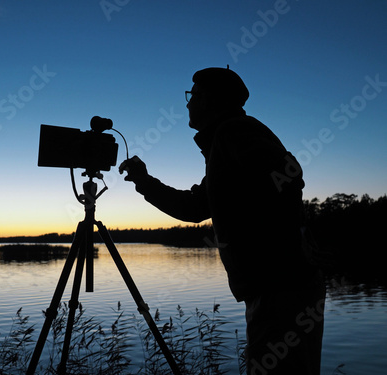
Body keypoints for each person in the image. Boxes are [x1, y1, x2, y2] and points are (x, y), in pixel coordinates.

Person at [119, 67, 325, 375]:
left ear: (211, 100)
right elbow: (195, 207)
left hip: (279, 286)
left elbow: (289, 176)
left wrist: (258, 231)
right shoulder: (226, 141)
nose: (188, 103)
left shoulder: (235, 131)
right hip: (275, 286)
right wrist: (144, 182)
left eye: (194, 95)